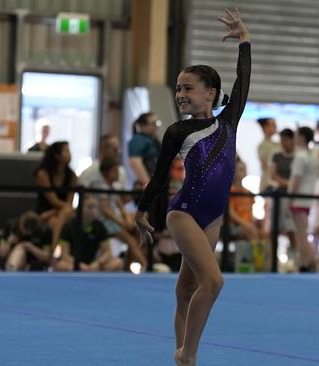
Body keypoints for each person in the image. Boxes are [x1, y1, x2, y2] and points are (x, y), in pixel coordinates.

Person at [134, 9, 250, 366]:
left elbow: (242, 80)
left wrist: (244, 41)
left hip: (212, 217)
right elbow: (160, 176)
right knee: (213, 283)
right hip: (183, 212)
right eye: (179, 88)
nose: (181, 94)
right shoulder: (177, 131)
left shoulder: (229, 121)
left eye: (188, 88)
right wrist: (141, 212)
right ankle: (188, 355)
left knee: (186, 289)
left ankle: (183, 357)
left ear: (211, 93)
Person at [91, 158, 147, 267]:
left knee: (135, 234)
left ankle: (128, 265)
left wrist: (126, 218)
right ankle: (145, 264)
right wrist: (121, 223)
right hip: (105, 222)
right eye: (115, 171)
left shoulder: (113, 187)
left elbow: (120, 204)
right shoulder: (102, 187)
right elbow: (105, 210)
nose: (118, 173)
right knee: (130, 240)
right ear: (106, 173)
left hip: (114, 219)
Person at [52, 195, 123, 272]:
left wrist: (98, 263)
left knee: (117, 263)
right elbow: (64, 255)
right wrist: (79, 265)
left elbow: (107, 252)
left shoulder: (100, 226)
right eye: (89, 207)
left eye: (95, 207)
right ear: (80, 209)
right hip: (73, 264)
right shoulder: (69, 226)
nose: (93, 210)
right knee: (61, 266)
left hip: (93, 265)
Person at [288, 126, 319, 272]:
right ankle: (306, 261)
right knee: (302, 232)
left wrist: (289, 197)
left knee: (301, 234)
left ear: (301, 138)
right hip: (307, 198)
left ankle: (310, 261)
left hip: (298, 198)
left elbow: (296, 179)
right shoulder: (313, 156)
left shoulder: (301, 156)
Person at [34, 141, 77, 246]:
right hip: (45, 213)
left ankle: (53, 251)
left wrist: (58, 211)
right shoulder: (43, 174)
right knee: (59, 222)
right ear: (57, 156)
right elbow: (54, 201)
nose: (70, 154)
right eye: (66, 151)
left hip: (58, 213)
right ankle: (54, 251)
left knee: (61, 220)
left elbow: (69, 202)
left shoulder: (72, 176)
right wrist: (59, 211)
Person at [268, 128, 296, 250]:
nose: (283, 143)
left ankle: (295, 256)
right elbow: (273, 176)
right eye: (282, 140)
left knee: (292, 229)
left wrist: (290, 185)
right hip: (279, 195)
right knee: (274, 228)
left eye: (285, 140)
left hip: (292, 198)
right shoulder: (276, 155)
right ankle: (272, 257)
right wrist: (289, 184)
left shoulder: (298, 156)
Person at [229, 159, 262, 242]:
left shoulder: (248, 193)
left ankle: (259, 253)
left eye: (244, 170)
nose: (243, 172)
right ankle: (256, 254)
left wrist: (253, 223)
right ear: (234, 171)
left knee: (264, 232)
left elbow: (250, 212)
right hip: (233, 224)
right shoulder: (231, 192)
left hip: (247, 224)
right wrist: (245, 224)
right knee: (251, 231)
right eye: (240, 170)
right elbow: (230, 213)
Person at [128, 112, 161, 186]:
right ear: (143, 125)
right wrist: (148, 184)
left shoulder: (153, 139)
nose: (156, 126)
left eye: (157, 122)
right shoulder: (138, 140)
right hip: (148, 184)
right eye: (153, 123)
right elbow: (135, 162)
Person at [256, 117, 279, 193]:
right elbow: (266, 163)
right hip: (267, 182)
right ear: (265, 127)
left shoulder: (277, 144)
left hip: (277, 181)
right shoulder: (262, 145)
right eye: (273, 125)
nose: (275, 127)